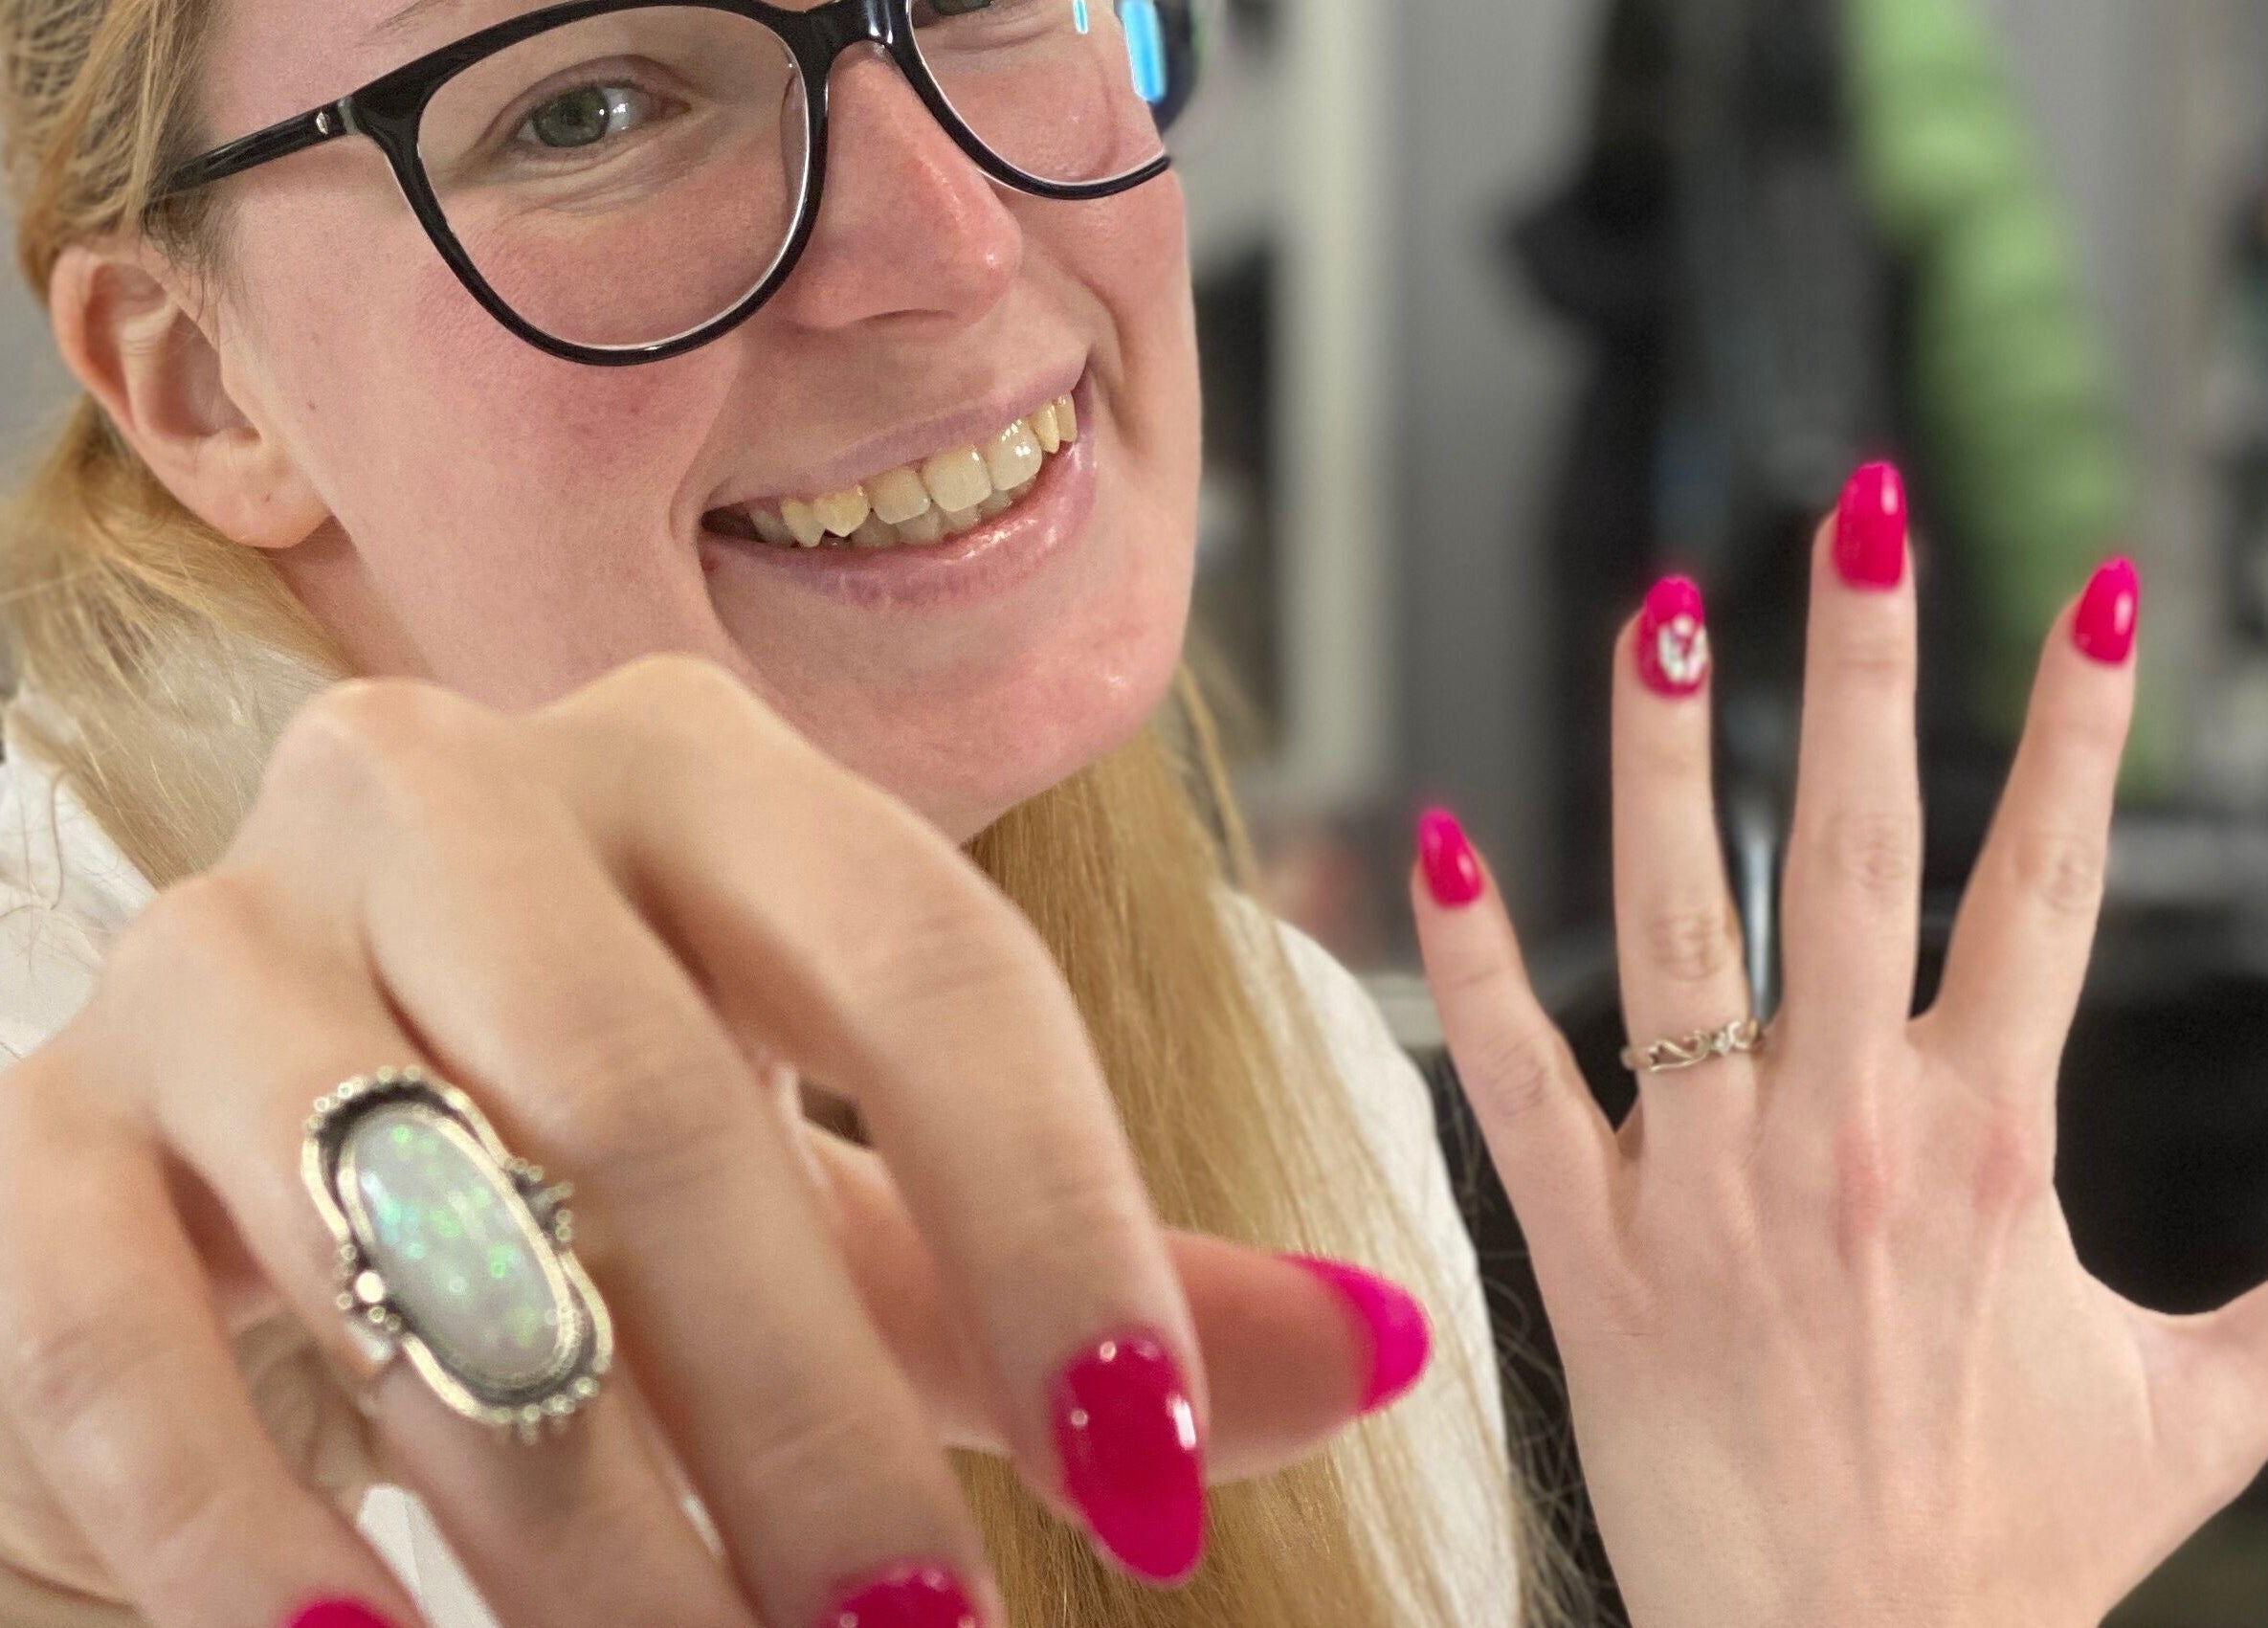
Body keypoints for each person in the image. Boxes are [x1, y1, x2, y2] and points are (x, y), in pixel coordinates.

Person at [0, 6, 2258, 1628]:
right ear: (198, 383)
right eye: (592, 104)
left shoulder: (1293, 1063)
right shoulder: (85, 1178)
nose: (958, 239)